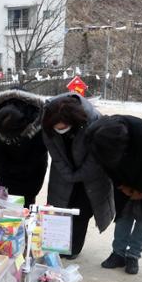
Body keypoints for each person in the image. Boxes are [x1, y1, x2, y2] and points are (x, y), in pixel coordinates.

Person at [86, 115, 142, 274]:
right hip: (123, 182)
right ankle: (118, 253)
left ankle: (133, 256)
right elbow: (104, 164)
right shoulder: (96, 136)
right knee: (122, 218)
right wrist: (121, 185)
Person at [42, 93, 114, 259]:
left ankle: (74, 248)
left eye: (62, 128)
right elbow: (55, 153)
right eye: (56, 129)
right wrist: (67, 174)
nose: (59, 131)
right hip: (63, 173)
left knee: (82, 212)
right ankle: (58, 245)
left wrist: (78, 175)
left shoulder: (94, 120)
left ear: (73, 121)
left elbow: (95, 158)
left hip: (90, 177)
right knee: (60, 209)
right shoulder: (47, 120)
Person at [0, 89, 48, 207]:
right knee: (7, 200)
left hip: (32, 167)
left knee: (27, 198)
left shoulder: (39, 120)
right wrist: (8, 166)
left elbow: (40, 149)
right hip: (5, 167)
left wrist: (23, 168)